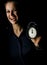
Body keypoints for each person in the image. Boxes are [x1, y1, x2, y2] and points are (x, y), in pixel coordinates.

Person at [3, 0, 47, 64]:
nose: (11, 14)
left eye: (14, 10)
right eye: (8, 11)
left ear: (20, 10)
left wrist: (38, 46)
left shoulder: (32, 31)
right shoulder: (6, 35)